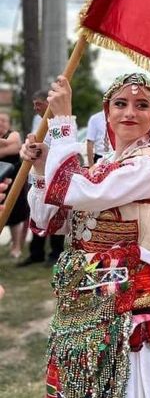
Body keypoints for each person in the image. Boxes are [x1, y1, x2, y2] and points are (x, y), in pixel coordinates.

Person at [22, 72, 150, 398]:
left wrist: (62, 123)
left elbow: (78, 190)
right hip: (81, 307)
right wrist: (41, 170)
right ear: (107, 112)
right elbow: (48, 221)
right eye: (120, 103)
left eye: (141, 105)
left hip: (126, 314)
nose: (129, 113)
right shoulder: (103, 165)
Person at [18, 89, 65, 267]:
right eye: (34, 105)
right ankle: (36, 253)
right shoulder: (37, 120)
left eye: (39, 104)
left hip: (55, 174)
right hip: (37, 173)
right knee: (35, 213)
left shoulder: (61, 121)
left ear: (48, 103)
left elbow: (62, 148)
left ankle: (55, 253)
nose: (36, 108)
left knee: (55, 213)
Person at [0, 112, 29, 258]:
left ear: (9, 123)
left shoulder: (14, 135)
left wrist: (4, 146)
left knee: (15, 214)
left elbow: (11, 147)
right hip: (1, 181)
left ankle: (16, 246)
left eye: (4, 120)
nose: (1, 123)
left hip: (14, 180)